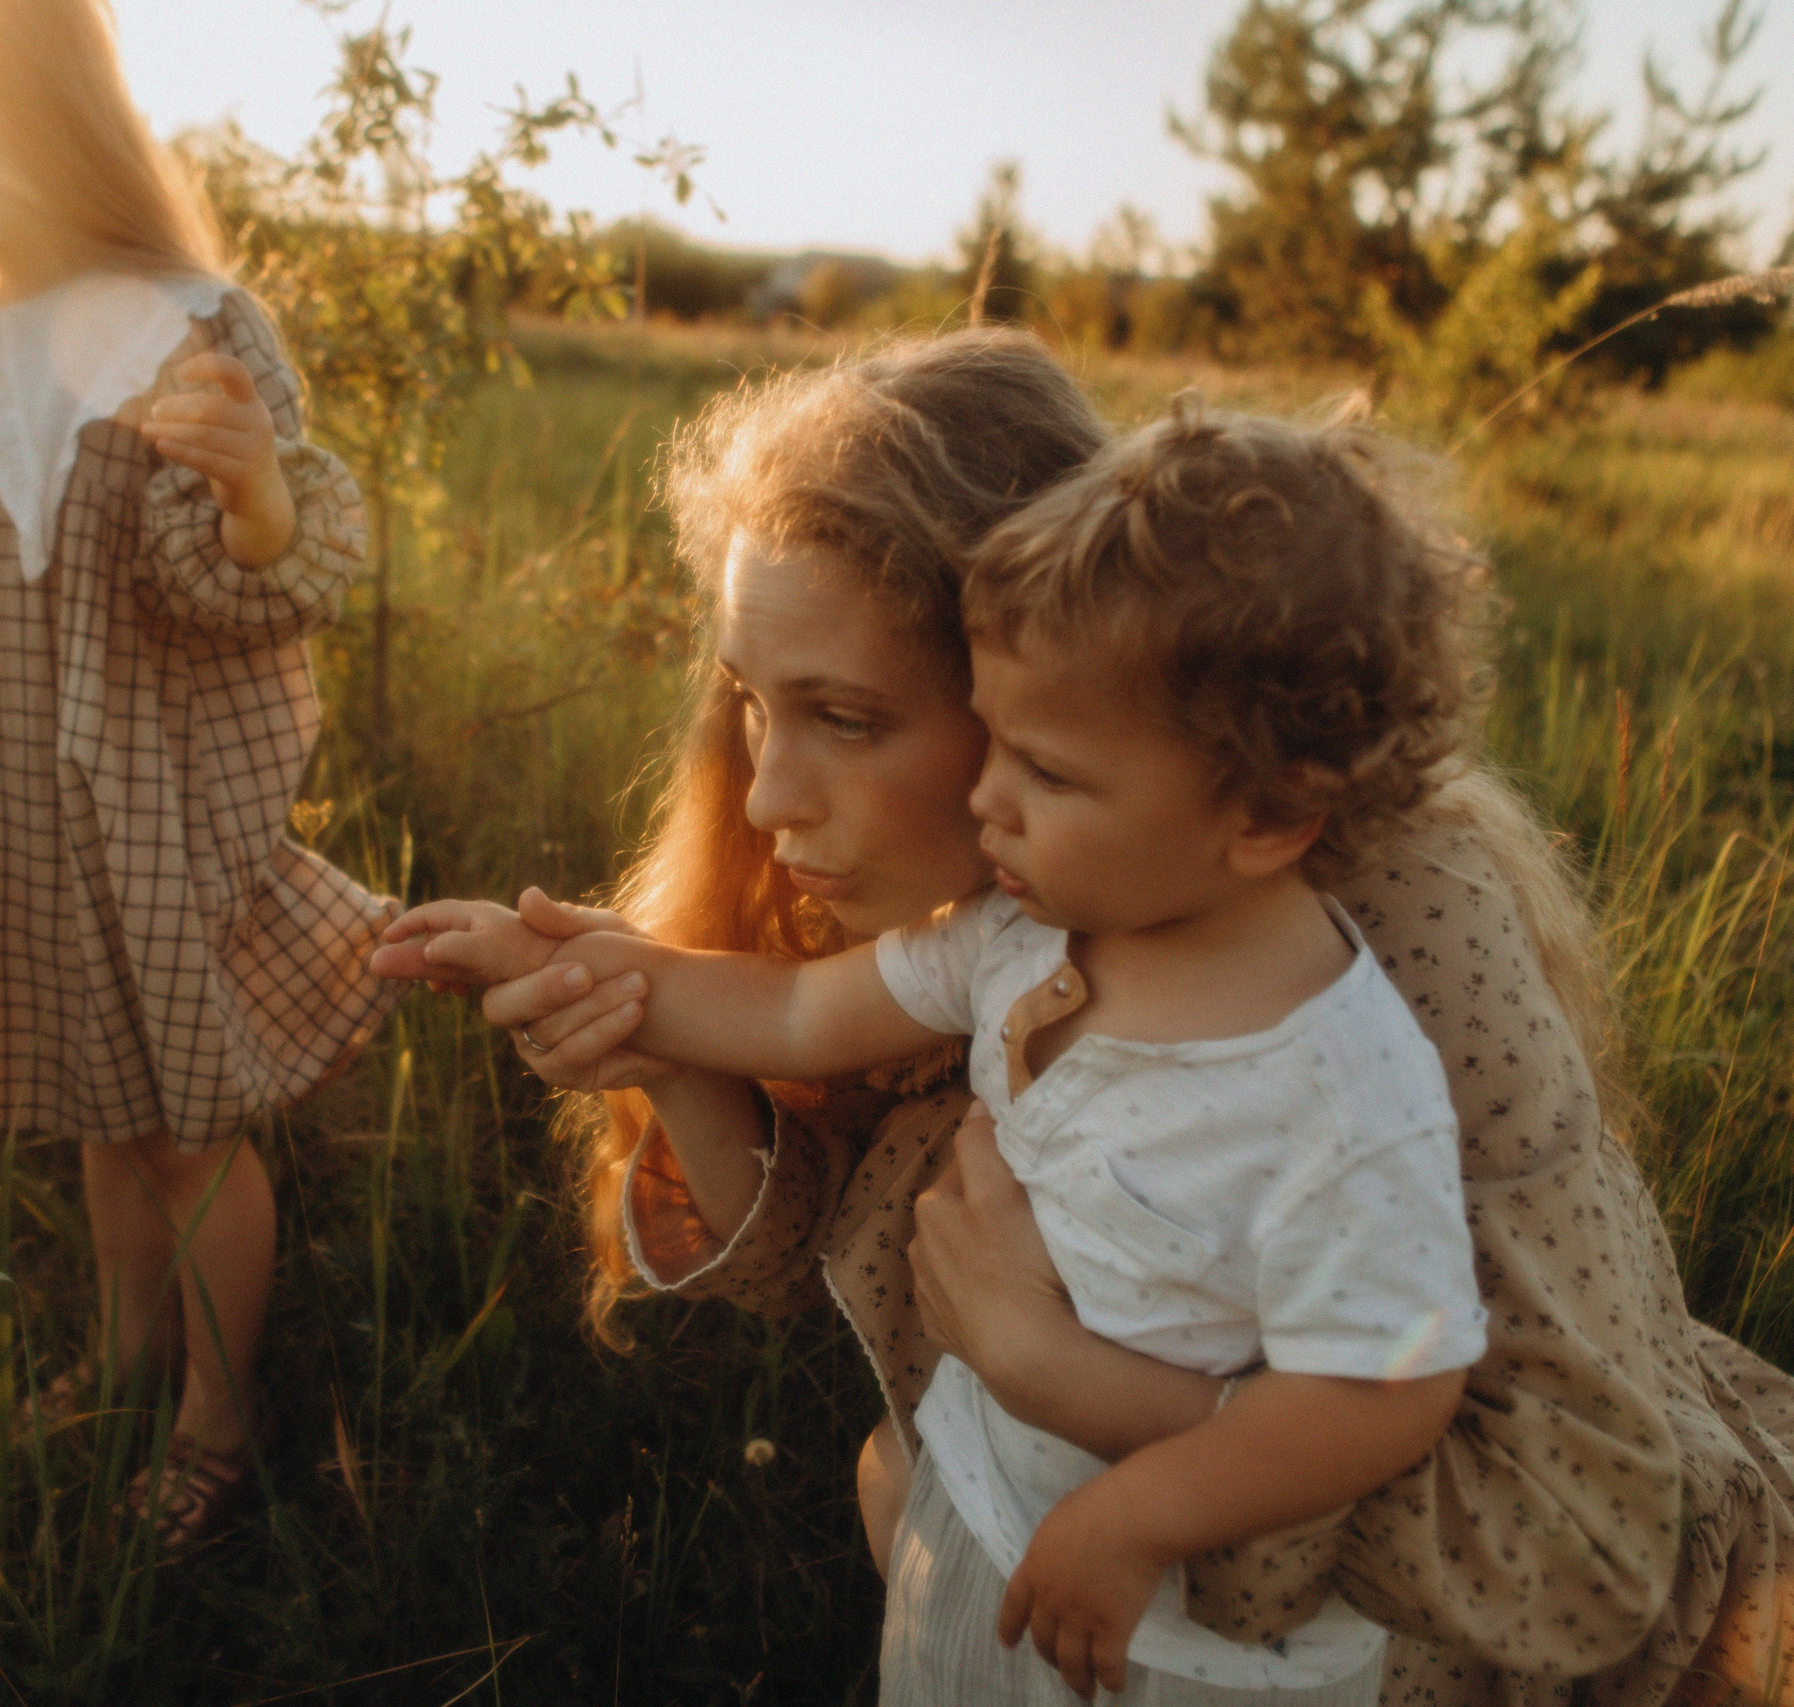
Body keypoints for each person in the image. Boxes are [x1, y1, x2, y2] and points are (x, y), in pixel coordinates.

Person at [441, 333, 1794, 1705]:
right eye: (751, 703)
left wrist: (1049, 1372)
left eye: (846, 716)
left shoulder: (1368, 973)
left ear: (1039, 678)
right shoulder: (998, 905)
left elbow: (1565, 1541)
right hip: (1092, 1541)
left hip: (1447, 1637)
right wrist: (667, 1033)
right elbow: (836, 1240)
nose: (765, 795)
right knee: (899, 1475)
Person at [382, 400, 1505, 1704]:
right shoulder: (1021, 935)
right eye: (751, 704)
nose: (987, 799)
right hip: (990, 1514)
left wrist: (1107, 1463)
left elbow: (1390, 1396)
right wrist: (592, 974)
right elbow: (796, 1018)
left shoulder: (1352, 1076)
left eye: (1037, 765)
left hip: (1189, 1635)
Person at [0, 0, 393, 1546]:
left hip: (152, 821)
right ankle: (129, 1355)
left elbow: (266, 582)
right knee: (98, 1103)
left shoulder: (183, 328)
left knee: (185, 1127)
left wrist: (259, 501)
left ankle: (220, 1418)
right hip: (11, 820)